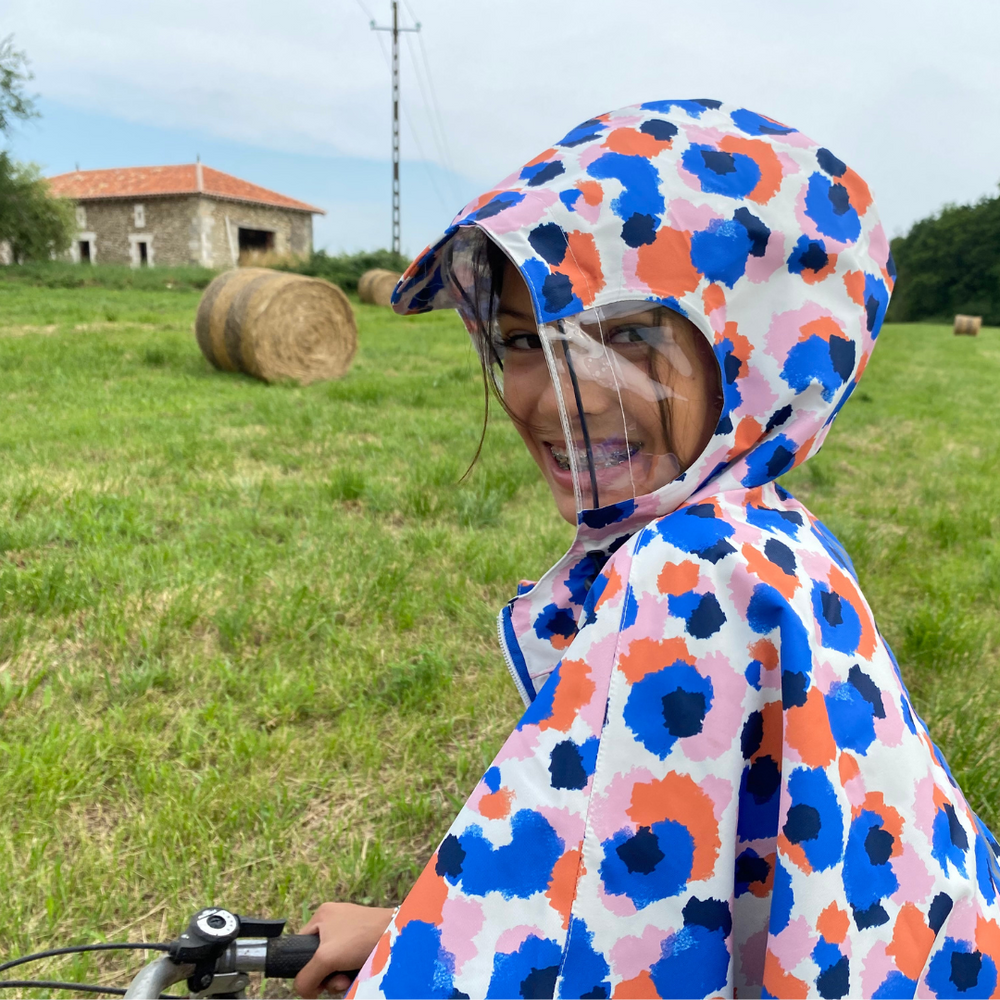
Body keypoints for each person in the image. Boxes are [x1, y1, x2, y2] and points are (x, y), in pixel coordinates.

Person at [295, 100, 1000, 999]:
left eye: (625, 334)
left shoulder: (689, 573)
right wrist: (408, 922)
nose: (560, 396)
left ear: (761, 346)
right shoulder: (770, 530)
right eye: (521, 341)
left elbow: (622, 956)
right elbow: (667, 880)